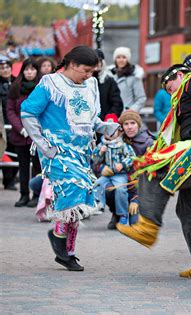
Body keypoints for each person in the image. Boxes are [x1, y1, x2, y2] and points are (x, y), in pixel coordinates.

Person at [117, 64, 191, 279]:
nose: (169, 91)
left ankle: (147, 227)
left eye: (168, 85)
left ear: (179, 75)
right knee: (189, 210)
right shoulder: (184, 97)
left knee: (151, 168)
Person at [21, 46, 119, 272]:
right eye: (86, 70)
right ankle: (59, 238)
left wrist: (107, 128)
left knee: (83, 198)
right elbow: (28, 112)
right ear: (72, 64)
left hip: (83, 150)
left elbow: (91, 119)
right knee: (73, 191)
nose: (89, 75)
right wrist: (44, 145)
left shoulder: (91, 85)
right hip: (57, 150)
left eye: (92, 71)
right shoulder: (50, 83)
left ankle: (68, 252)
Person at [6, 58, 42, 207]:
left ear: (36, 71)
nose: (29, 72)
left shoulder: (42, 88)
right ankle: (23, 194)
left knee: (37, 166)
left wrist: (34, 128)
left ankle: (37, 194)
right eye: (26, 69)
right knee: (22, 166)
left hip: (37, 136)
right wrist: (21, 127)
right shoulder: (15, 87)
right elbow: (10, 110)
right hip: (20, 135)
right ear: (22, 71)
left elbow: (44, 110)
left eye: (32, 69)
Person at [92, 125, 135, 225]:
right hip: (108, 174)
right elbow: (94, 160)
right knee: (98, 184)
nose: (110, 134)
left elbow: (132, 157)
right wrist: (100, 153)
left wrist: (123, 164)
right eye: (107, 131)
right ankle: (98, 204)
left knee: (120, 189)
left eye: (112, 131)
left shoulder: (122, 145)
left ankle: (123, 214)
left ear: (118, 132)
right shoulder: (102, 145)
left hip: (120, 174)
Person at [108, 47, 146, 112]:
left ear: (127, 59)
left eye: (124, 57)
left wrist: (130, 111)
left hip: (128, 117)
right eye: (118, 57)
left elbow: (141, 98)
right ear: (115, 59)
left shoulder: (135, 76)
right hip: (112, 116)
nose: (121, 60)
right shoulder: (109, 75)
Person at [0, 58, 19, 191]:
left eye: (7, 67)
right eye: (2, 68)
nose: (5, 70)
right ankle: (8, 180)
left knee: (17, 152)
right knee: (5, 151)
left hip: (17, 123)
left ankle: (11, 178)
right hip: (3, 122)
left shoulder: (18, 82)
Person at [93, 49, 123, 121]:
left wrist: (109, 118)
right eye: (94, 61)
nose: (97, 64)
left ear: (102, 62)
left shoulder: (109, 81)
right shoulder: (84, 80)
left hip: (104, 123)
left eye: (99, 61)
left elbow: (117, 104)